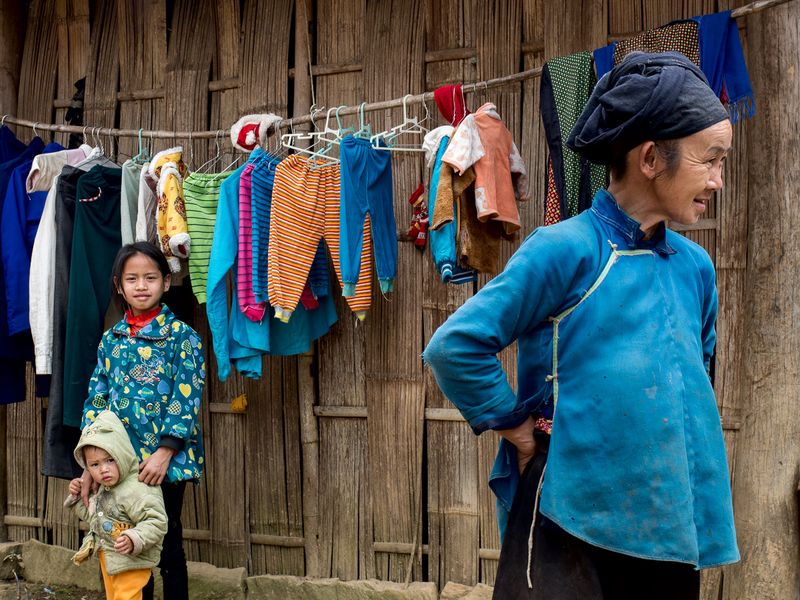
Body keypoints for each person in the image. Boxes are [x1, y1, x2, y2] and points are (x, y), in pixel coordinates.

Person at [423, 52, 739, 599]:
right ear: (649, 158)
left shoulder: (696, 269)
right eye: (709, 160)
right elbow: (456, 346)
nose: (717, 180)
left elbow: (696, 371)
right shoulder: (566, 250)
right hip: (566, 518)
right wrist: (516, 426)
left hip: (667, 519)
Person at [80, 241, 206, 600]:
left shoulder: (182, 337)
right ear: (119, 286)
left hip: (165, 464)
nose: (141, 286)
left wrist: (165, 452)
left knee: (167, 542)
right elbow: (97, 400)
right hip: (120, 463)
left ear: (166, 282)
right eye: (132, 278)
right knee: (129, 545)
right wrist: (92, 461)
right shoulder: (111, 341)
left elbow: (186, 399)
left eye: (150, 278)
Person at [66, 410, 168, 600]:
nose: (103, 469)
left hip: (131, 560)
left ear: (122, 453)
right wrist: (77, 496)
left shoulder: (138, 488)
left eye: (110, 460)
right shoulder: (105, 488)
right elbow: (94, 517)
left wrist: (134, 538)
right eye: (95, 465)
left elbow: (157, 521)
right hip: (110, 558)